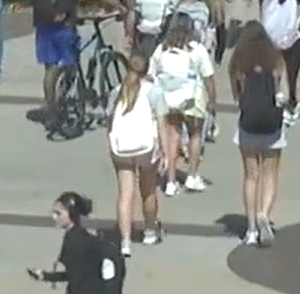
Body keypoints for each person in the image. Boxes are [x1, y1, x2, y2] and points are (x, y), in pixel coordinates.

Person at [228, 20, 288, 247]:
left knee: (250, 176)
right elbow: (285, 94)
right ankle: (264, 214)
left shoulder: (238, 63)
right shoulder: (276, 60)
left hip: (248, 124)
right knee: (270, 173)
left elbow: (237, 97)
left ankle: (251, 228)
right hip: (272, 124)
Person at [152, 13, 215, 195]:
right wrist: (212, 100)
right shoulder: (197, 49)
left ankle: (171, 181)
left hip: (168, 100)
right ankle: (192, 176)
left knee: (172, 138)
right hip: (192, 100)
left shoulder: (162, 49)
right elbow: (208, 78)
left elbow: (151, 73)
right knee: (195, 135)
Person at [105, 54, 162, 256]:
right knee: (148, 191)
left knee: (124, 194)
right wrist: (163, 150)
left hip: (121, 148)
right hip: (145, 147)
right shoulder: (153, 91)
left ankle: (125, 242)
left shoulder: (117, 91)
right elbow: (162, 123)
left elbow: (109, 119)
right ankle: (149, 231)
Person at [31, 0, 92, 125]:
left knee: (50, 69)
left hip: (43, 27)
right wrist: (116, 6)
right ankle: (59, 102)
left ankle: (51, 109)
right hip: (64, 27)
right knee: (69, 65)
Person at [27, 192, 123, 294]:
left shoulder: (75, 240)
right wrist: (46, 276)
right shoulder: (80, 235)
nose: (54, 217)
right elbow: (75, 273)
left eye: (58, 213)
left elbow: (76, 277)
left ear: (72, 214)